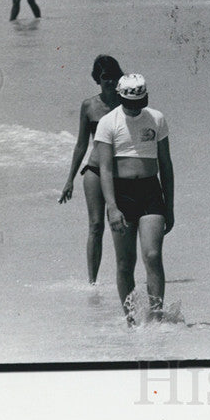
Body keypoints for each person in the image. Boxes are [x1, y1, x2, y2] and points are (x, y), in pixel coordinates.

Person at [95, 74, 175, 323]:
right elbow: (105, 169)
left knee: (152, 256)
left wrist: (169, 207)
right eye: (129, 104)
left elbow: (166, 164)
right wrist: (112, 207)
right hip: (121, 194)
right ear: (120, 98)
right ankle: (130, 320)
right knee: (125, 263)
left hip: (151, 191)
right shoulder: (108, 122)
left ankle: (157, 318)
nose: (134, 108)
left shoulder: (157, 118)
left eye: (139, 102)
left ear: (147, 97)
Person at [59, 55, 124, 285]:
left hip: (120, 172)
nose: (110, 82)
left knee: (121, 226)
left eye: (114, 76)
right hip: (95, 170)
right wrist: (69, 180)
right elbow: (81, 144)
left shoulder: (125, 101)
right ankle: (92, 283)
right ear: (97, 79)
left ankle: (123, 278)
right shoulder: (89, 106)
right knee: (96, 225)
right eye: (105, 77)